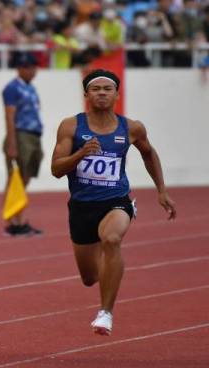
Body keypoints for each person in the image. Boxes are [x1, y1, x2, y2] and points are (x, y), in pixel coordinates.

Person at [50, 69, 176, 336]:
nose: (102, 93)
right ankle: (107, 269)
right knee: (89, 278)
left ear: (117, 94)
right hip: (82, 206)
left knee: (112, 240)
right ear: (86, 94)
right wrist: (81, 153)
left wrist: (161, 191)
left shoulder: (131, 127)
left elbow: (149, 154)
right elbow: (56, 169)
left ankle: (105, 313)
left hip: (116, 200)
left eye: (108, 89)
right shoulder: (71, 126)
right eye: (96, 89)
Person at [2, 52, 44, 236]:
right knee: (15, 179)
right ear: (19, 68)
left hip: (33, 135)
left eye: (34, 67)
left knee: (26, 177)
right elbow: (9, 115)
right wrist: (12, 142)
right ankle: (14, 221)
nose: (32, 70)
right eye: (28, 67)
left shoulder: (31, 88)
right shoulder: (12, 88)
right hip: (20, 135)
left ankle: (18, 217)